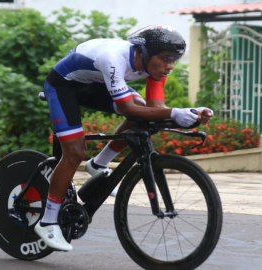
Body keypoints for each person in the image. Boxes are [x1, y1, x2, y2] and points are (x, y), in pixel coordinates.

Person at [35, 25, 214, 251]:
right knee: (74, 153)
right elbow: (128, 108)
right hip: (63, 86)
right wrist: (173, 113)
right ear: (145, 53)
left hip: (94, 84)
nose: (170, 66)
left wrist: (191, 114)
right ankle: (48, 221)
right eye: (166, 59)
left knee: (146, 116)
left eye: (174, 60)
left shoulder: (155, 67)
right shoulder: (113, 58)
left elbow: (155, 110)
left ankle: (98, 164)